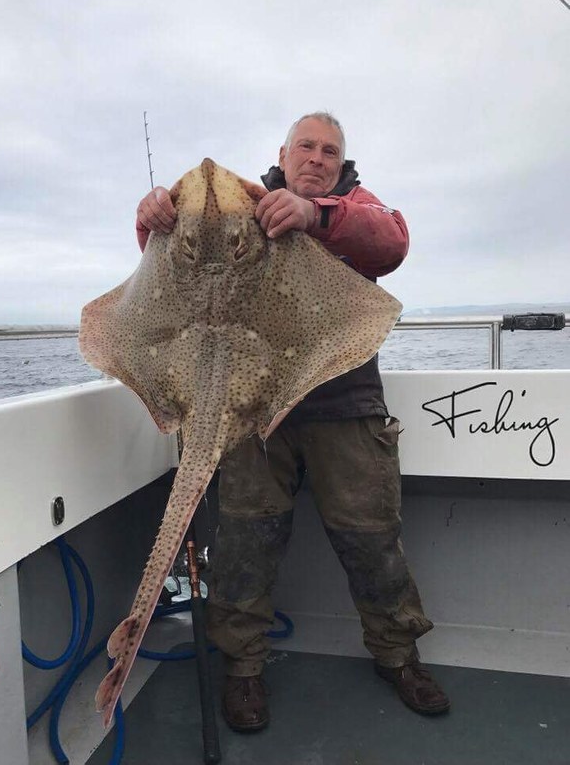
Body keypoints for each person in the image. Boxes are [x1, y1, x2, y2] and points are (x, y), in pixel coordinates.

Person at [135, 112, 450, 731]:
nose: (317, 157)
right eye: (306, 146)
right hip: (252, 412)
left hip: (344, 406)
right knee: (246, 540)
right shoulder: (243, 210)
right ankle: (243, 665)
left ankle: (397, 653)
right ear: (283, 153)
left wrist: (316, 216)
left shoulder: (355, 206)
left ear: (340, 162)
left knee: (371, 539)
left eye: (329, 150)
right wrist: (150, 220)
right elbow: (167, 274)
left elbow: (392, 243)